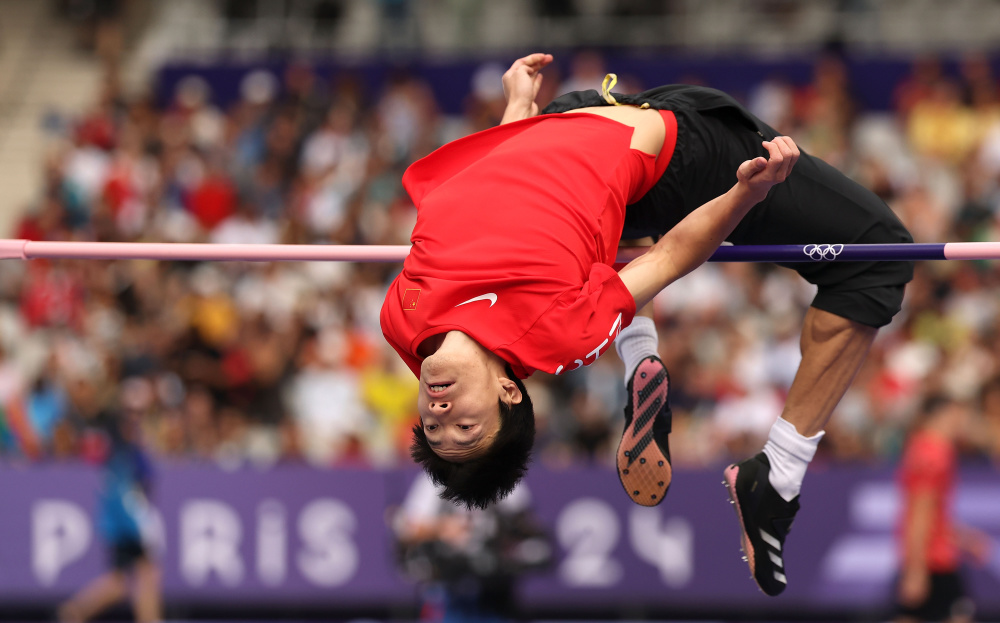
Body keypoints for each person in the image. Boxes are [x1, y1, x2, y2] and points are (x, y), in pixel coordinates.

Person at [379, 53, 913, 596]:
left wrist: (516, 108)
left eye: (435, 429)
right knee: (881, 254)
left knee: (597, 239)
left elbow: (491, 185)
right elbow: (667, 260)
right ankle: (780, 471)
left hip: (564, 122)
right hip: (677, 156)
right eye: (465, 429)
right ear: (508, 393)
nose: (441, 414)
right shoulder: (555, 331)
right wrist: (744, 194)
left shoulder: (402, 319)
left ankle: (641, 352)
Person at [394, 473, 551, 623]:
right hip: (446, 586)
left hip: (494, 589)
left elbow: (527, 526)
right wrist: (441, 528)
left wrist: (501, 534)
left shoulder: (503, 475)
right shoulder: (435, 477)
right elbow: (408, 531)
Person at [895, 395, 991, 623]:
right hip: (935, 558)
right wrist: (916, 568)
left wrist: (964, 538)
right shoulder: (935, 453)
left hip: (932, 553)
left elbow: (933, 512)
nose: (961, 423)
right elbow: (921, 511)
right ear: (941, 416)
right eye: (957, 416)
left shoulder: (920, 446)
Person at [58, 409, 161, 623]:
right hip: (128, 528)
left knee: (124, 580)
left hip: (121, 527)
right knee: (142, 576)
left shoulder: (120, 455)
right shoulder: (124, 458)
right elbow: (125, 496)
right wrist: (140, 528)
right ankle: (74, 612)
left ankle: (74, 612)